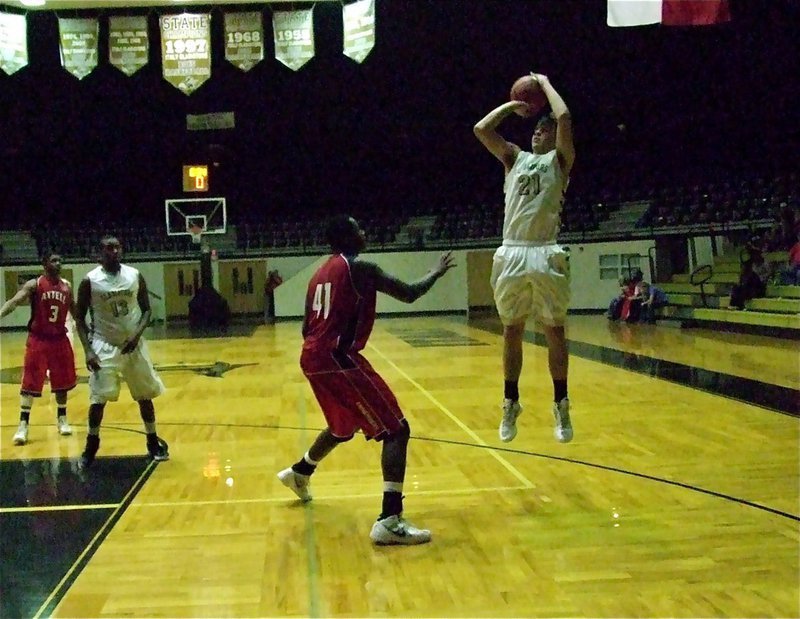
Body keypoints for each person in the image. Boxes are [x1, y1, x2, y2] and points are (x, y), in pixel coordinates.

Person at [277, 216, 455, 545]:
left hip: (312, 357)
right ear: (347, 237)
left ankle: (300, 472)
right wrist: (436, 272)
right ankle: (390, 519)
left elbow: (306, 326)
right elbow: (410, 293)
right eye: (358, 229)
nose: (364, 233)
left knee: (342, 427)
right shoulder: (361, 268)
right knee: (396, 429)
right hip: (337, 358)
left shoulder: (318, 275)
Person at [473, 72, 576, 443]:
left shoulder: (559, 162)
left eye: (543, 131)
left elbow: (564, 118)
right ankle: (510, 401)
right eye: (535, 130)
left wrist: (546, 86)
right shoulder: (513, 158)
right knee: (512, 330)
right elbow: (481, 129)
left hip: (545, 251)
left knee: (554, 331)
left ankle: (561, 402)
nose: (538, 133)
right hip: (512, 250)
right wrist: (512, 106)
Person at [74, 235, 169, 466]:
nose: (113, 252)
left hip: (134, 345)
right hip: (104, 344)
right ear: (100, 253)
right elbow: (79, 317)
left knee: (145, 396)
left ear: (122, 250)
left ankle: (152, 440)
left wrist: (136, 336)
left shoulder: (135, 275)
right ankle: (91, 445)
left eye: (116, 247)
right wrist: (88, 350)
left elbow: (146, 311)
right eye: (108, 248)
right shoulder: (90, 280)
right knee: (98, 399)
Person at [0, 252, 76, 445]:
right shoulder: (34, 285)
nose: (58, 263)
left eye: (60, 260)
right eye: (54, 260)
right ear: (44, 264)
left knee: (62, 382)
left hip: (59, 339)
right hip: (38, 339)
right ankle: (23, 425)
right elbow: (15, 301)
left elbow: (76, 312)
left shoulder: (67, 287)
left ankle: (62, 418)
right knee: (30, 383)